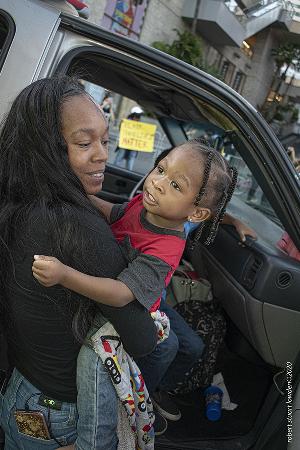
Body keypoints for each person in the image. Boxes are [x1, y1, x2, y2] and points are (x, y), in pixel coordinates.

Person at [32, 139, 253, 434]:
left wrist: (64, 275)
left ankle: (142, 398)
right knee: (174, 346)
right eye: (161, 169)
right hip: (136, 293)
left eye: (176, 185)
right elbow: (116, 214)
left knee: (187, 347)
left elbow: (122, 294)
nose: (159, 183)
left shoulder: (164, 250)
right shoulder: (147, 206)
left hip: (139, 298)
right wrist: (80, 195)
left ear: (197, 213)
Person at [0, 76, 158, 450]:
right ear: (45, 148)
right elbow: (143, 339)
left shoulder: (15, 203)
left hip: (21, 396)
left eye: (105, 139)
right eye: (84, 143)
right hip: (63, 419)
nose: (103, 154)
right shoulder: (77, 227)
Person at [113, 106, 143, 170]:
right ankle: (114, 171)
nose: (138, 118)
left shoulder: (140, 125)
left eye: (139, 116)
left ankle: (128, 175)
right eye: (137, 116)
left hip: (134, 146)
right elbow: (121, 129)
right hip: (125, 143)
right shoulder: (125, 122)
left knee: (130, 160)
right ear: (133, 115)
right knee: (119, 160)